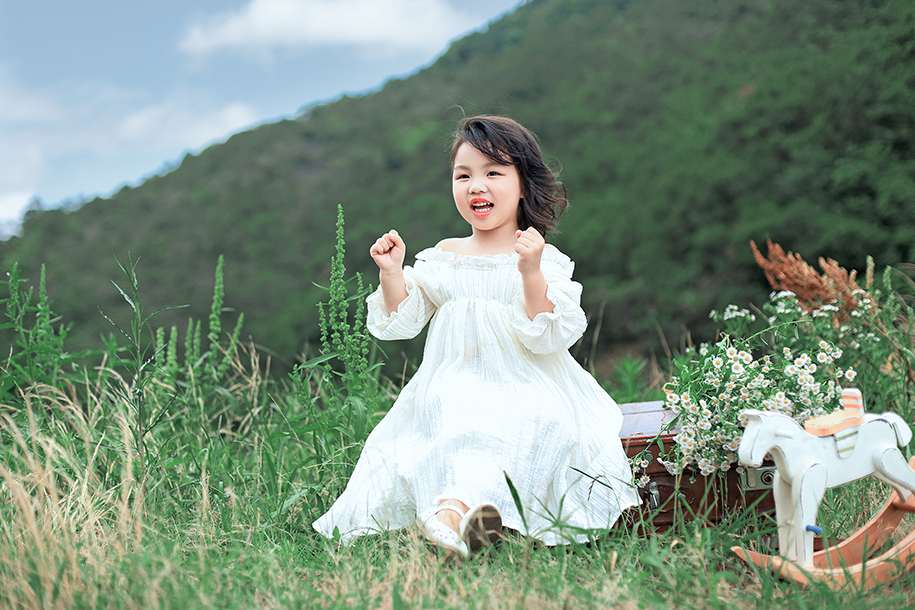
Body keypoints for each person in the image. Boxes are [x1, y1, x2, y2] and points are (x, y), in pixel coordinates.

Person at [312, 115, 638, 558]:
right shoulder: (445, 256)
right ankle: (464, 515)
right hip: (452, 381)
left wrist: (529, 273)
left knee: (517, 422)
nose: (475, 186)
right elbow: (402, 321)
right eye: (463, 175)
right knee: (459, 420)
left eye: (493, 173)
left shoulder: (541, 256)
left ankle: (452, 513)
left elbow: (550, 335)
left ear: (523, 184)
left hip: (529, 384)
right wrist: (391, 273)